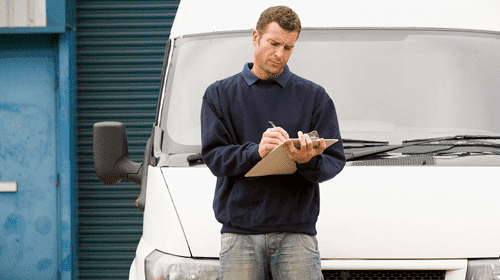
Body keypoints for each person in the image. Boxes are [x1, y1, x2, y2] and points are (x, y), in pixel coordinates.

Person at [201, 5, 346, 280]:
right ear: (255, 37)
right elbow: (214, 156)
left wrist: (308, 160)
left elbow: (335, 159)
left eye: (288, 47)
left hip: (297, 233)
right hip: (240, 233)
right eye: (274, 43)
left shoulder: (314, 97)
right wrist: (256, 152)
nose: (280, 54)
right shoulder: (219, 95)